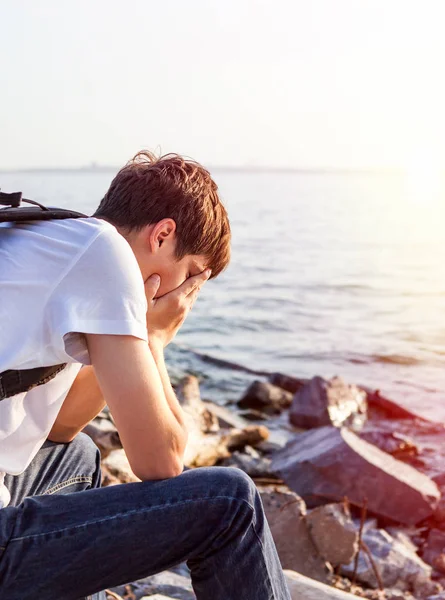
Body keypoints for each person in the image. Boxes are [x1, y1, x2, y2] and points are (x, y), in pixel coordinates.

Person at [0, 151, 291, 600]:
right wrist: (153, 339)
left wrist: (129, 335)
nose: (183, 295)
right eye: (191, 276)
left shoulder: (56, 239)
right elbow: (161, 461)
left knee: (76, 457)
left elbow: (59, 428)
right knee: (232, 504)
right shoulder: (106, 252)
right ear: (163, 234)